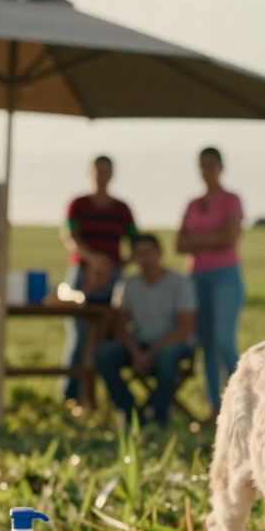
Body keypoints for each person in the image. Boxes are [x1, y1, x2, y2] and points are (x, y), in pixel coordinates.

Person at [60, 154, 138, 406]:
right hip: (82, 273)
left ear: (112, 173)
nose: (101, 175)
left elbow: (136, 241)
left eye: (105, 170)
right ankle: (71, 395)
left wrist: (118, 264)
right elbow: (71, 236)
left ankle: (104, 397)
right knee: (79, 335)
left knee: (110, 333)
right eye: (97, 171)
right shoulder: (78, 204)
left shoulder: (122, 209)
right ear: (90, 173)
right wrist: (94, 260)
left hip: (114, 277)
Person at [95, 234, 196, 426]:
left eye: (149, 252)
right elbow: (119, 325)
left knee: (168, 357)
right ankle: (130, 411)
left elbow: (185, 326)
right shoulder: (127, 284)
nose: (145, 258)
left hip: (172, 345)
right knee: (104, 354)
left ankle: (159, 415)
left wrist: (150, 352)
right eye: (139, 254)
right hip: (138, 344)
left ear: (160, 253)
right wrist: (136, 352)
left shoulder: (179, 283)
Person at [176, 146, 244, 421]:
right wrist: (210, 238)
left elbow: (230, 237)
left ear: (221, 167)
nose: (207, 170)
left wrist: (197, 240)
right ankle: (215, 406)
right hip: (196, 278)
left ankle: (241, 402)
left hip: (225, 275)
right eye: (202, 165)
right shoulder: (193, 203)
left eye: (211, 165)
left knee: (223, 340)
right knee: (205, 343)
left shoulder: (231, 200)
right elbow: (179, 243)